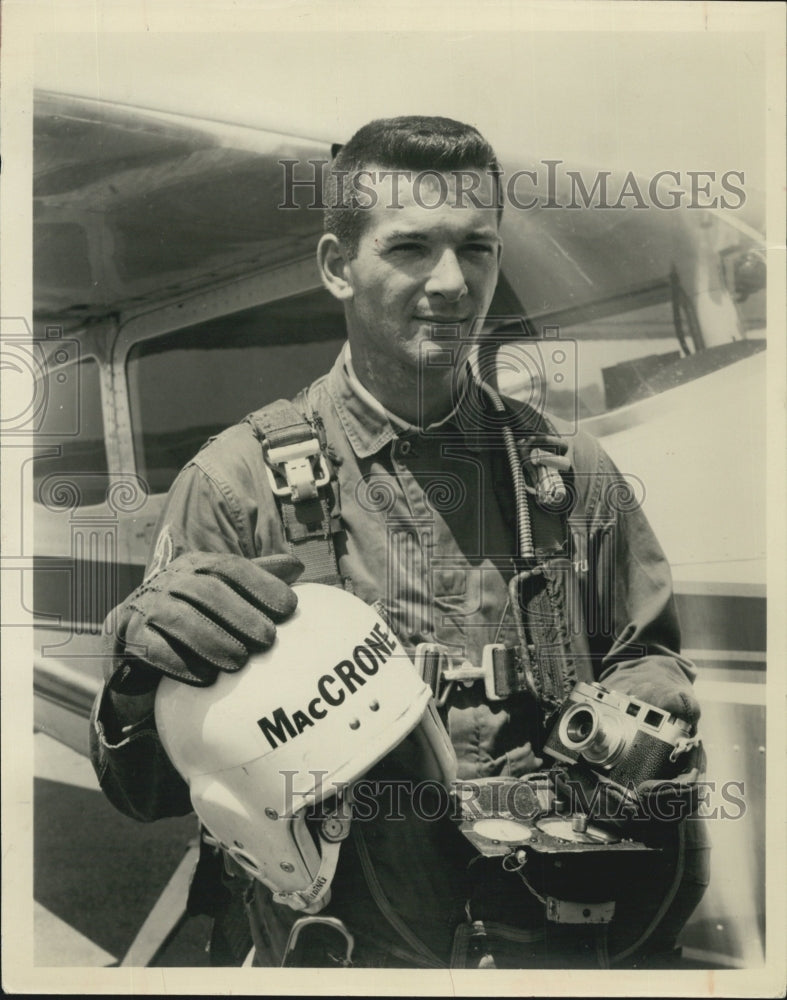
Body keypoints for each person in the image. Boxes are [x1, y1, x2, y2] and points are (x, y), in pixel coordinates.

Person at [89, 116, 709, 969]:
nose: (452, 282)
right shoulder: (234, 487)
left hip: (554, 943)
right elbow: (148, 790)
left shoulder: (566, 475)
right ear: (337, 265)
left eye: (477, 248)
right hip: (344, 953)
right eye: (411, 248)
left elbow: (651, 655)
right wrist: (133, 687)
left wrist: (639, 711)